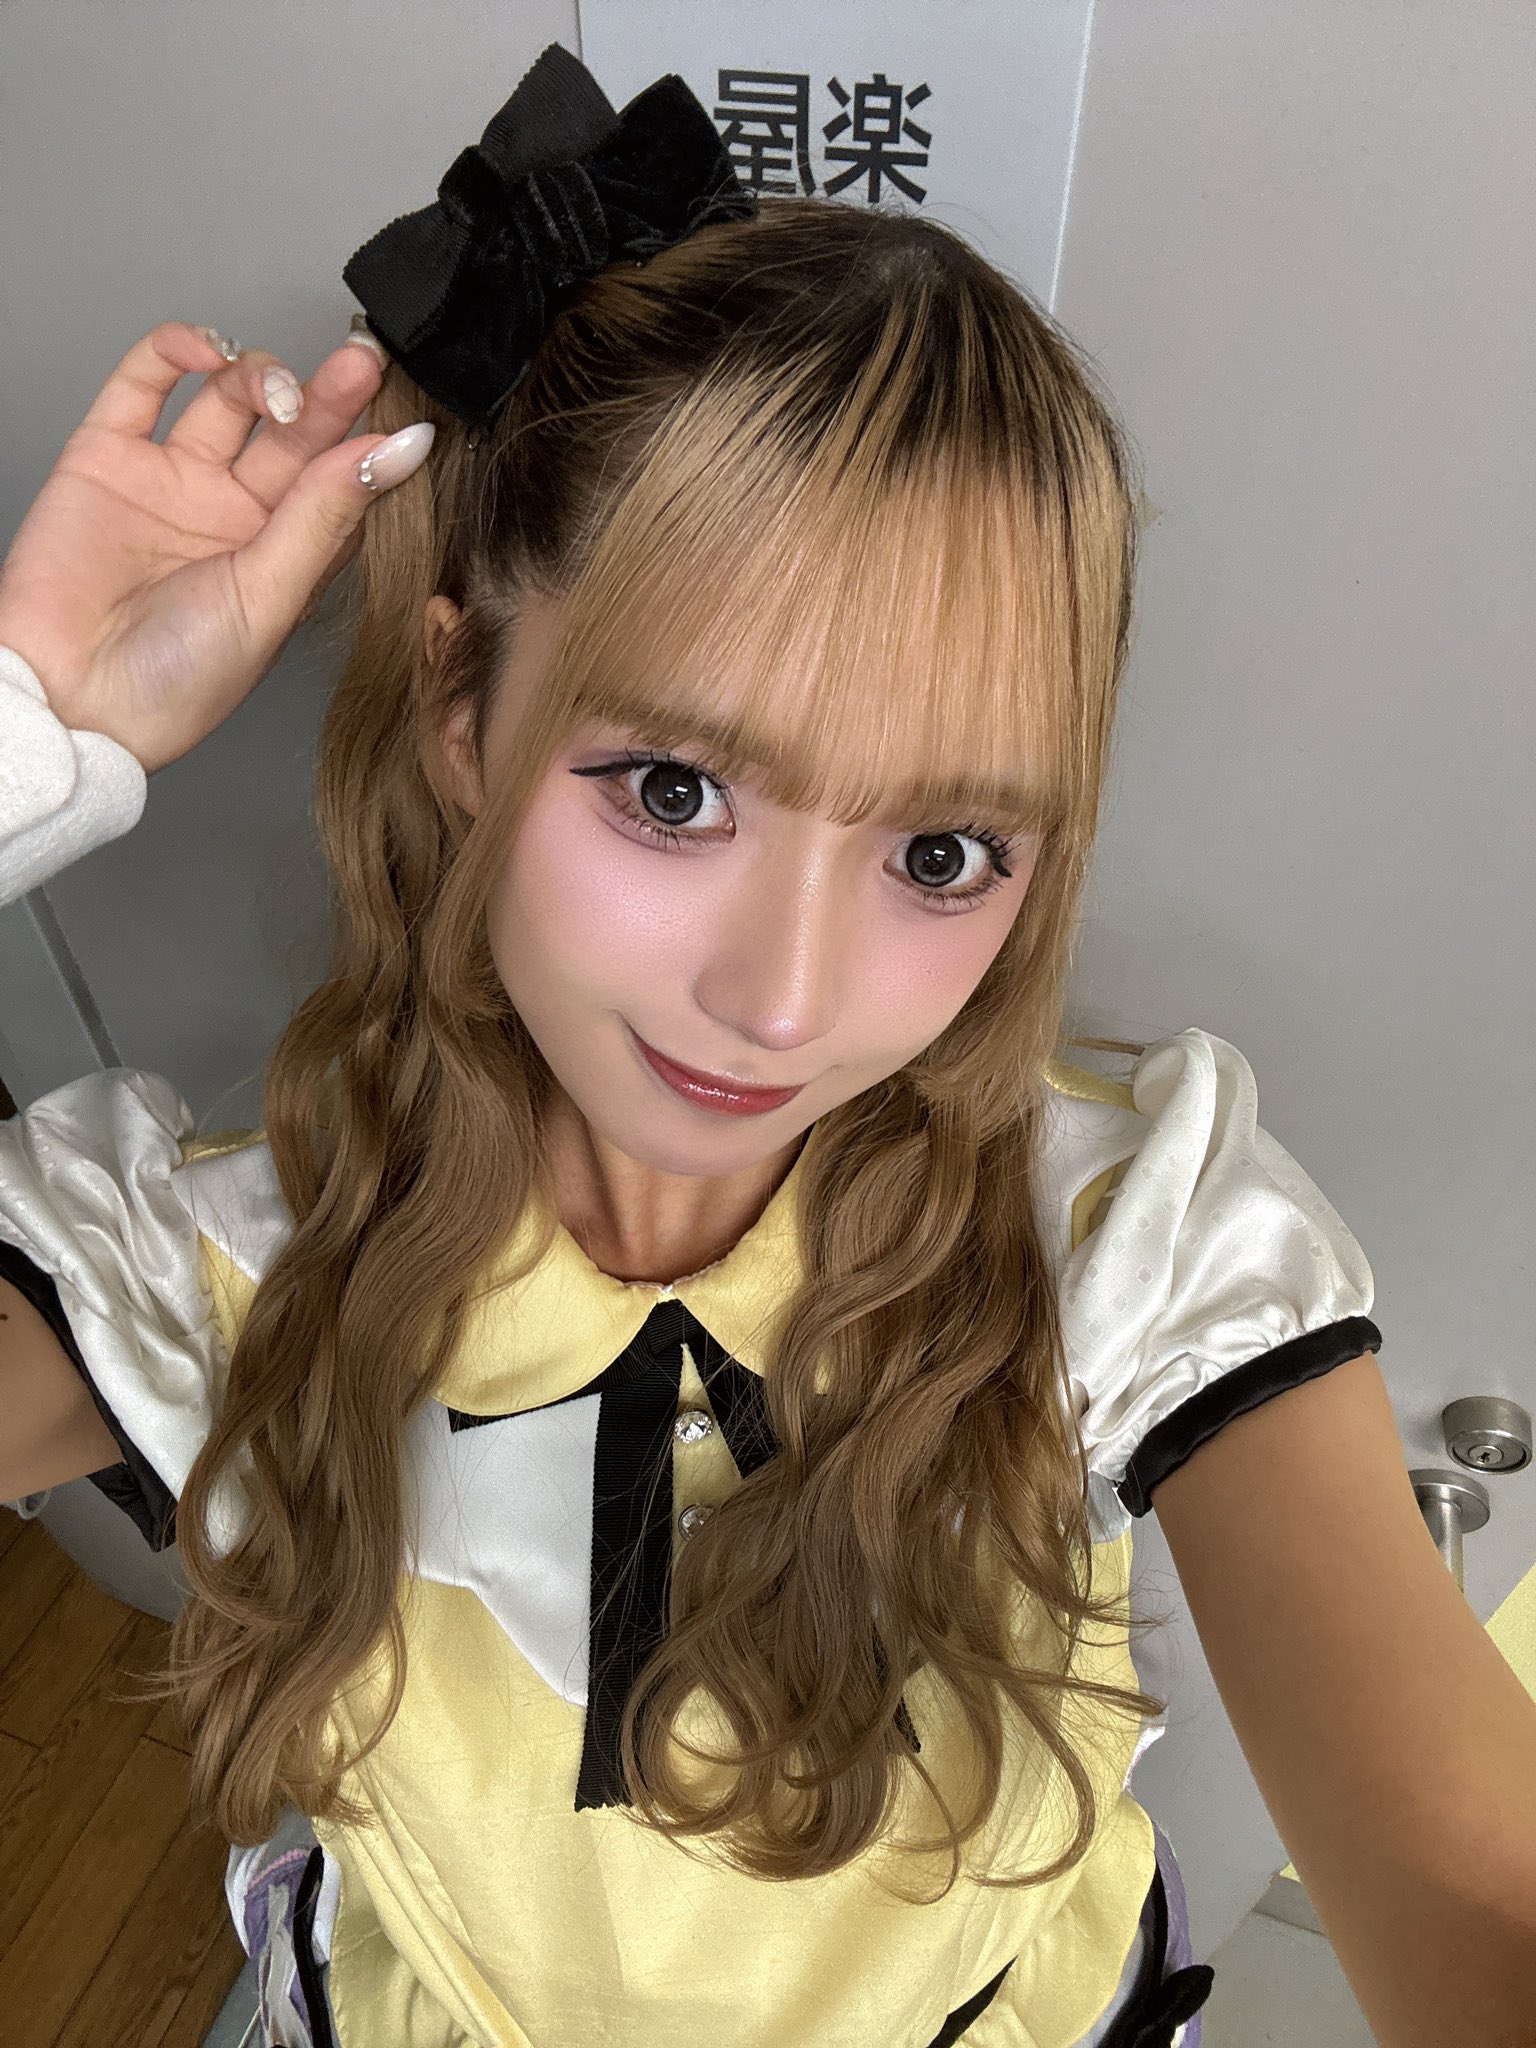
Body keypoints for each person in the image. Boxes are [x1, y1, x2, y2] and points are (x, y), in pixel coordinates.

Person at [0, 41, 1403, 2048]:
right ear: (463, 712)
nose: (785, 1000)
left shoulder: (1125, 1245)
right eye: (674, 792)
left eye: (941, 853)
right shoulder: (210, 1265)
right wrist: (33, 728)